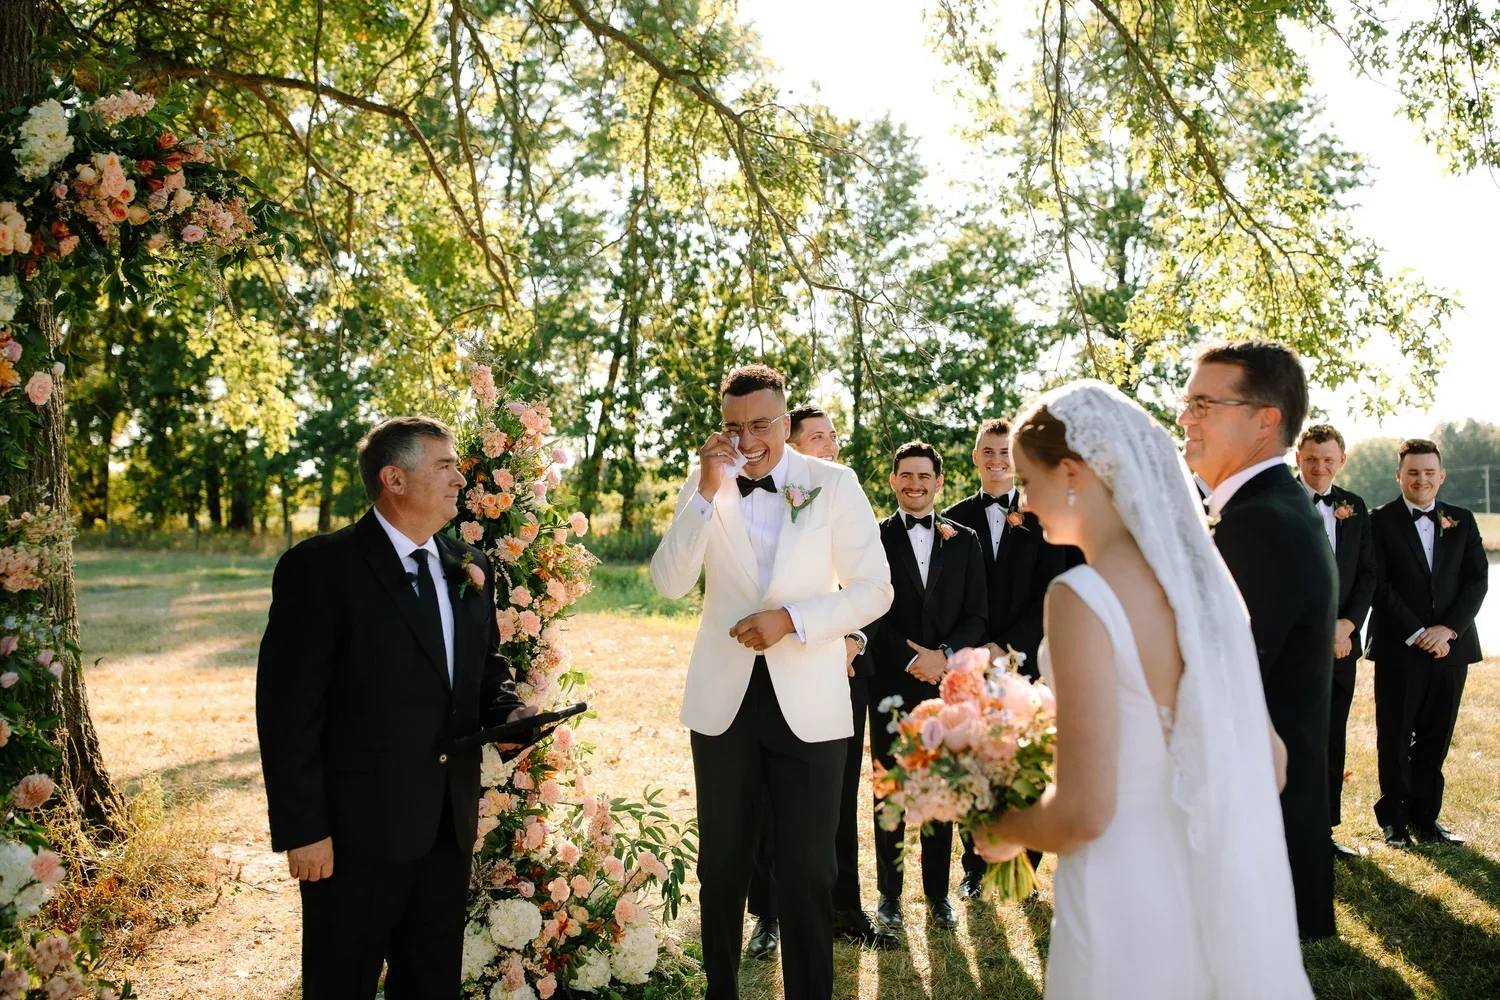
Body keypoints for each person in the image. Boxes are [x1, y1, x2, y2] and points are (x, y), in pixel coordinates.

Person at [972, 380, 1313, 1000]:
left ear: (1073, 472)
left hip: (1122, 899)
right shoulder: (1206, 589)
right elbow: (1274, 762)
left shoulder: (1080, 599)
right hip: (1206, 886)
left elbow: (1083, 814)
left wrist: (1002, 828)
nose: (1022, 502)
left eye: (1026, 481)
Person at [256, 417, 534, 999]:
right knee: (341, 984)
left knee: (431, 984)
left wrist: (509, 716)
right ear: (394, 479)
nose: (461, 478)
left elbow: (483, 669)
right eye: (445, 465)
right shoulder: (320, 570)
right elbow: (287, 712)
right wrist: (303, 829)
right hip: (352, 835)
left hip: (444, 827)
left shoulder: (471, 564)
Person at [650, 366, 893, 1000]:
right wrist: (705, 492)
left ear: (785, 422)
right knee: (722, 866)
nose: (748, 438)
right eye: (734, 425)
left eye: (761, 424)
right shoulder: (704, 481)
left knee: (810, 870)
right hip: (723, 700)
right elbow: (669, 582)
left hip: (809, 698)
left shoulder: (833, 484)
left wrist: (792, 619)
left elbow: (875, 589)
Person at [1179, 340, 1338, 941]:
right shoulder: (1268, 510)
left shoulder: (1261, 525)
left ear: (1265, 420)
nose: (1185, 418)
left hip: (1249, 833)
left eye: (1204, 403)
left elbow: (1210, 684)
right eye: (1185, 401)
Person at [745, 404, 897, 958]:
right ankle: (767, 914)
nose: (829, 445)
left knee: (835, 799)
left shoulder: (840, 493)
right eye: (817, 437)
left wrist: (855, 642)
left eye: (833, 436)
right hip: (768, 673)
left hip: (838, 670)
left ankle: (843, 907)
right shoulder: (762, 498)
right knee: (765, 800)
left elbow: (866, 588)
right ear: (789, 439)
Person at [943, 417, 1077, 896]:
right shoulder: (952, 521)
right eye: (989, 451)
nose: (998, 461)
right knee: (973, 758)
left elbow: (1054, 589)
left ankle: (1028, 867)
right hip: (972, 664)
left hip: (1030, 657)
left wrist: (1009, 646)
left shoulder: (1046, 516)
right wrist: (976, 650)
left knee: (1027, 758)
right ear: (976, 457)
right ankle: (975, 867)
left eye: (1006, 452)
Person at [864, 441, 987, 932]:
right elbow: (869, 610)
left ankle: (938, 894)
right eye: (906, 475)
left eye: (924, 476)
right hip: (892, 683)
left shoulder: (966, 540)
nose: (914, 484)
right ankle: (889, 896)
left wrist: (943, 659)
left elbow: (978, 613)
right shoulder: (871, 539)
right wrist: (913, 657)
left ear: (939, 482)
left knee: (941, 788)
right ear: (893, 481)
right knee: (889, 788)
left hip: (946, 687)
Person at [1367, 438, 1487, 847]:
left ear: (1442, 475)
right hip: (1401, 646)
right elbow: (1378, 584)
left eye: (1429, 472)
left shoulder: (1463, 520)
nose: (1422, 480)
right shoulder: (1378, 520)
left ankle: (1425, 818)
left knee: (1437, 735)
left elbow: (1476, 581)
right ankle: (1394, 820)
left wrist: (1447, 630)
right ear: (1399, 474)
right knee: (1396, 734)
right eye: (1413, 472)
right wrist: (1418, 632)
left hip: (1452, 647)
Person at [1294, 424, 1376, 858]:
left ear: (1341, 461)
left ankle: (1323, 832)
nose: (1320, 467)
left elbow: (1368, 573)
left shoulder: (1355, 507)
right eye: (1312, 459)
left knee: (1331, 737)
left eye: (1328, 459)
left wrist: (1347, 625)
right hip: (1294, 648)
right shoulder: (1278, 504)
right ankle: (1287, 835)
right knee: (1292, 738)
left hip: (1343, 644)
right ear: (1298, 459)